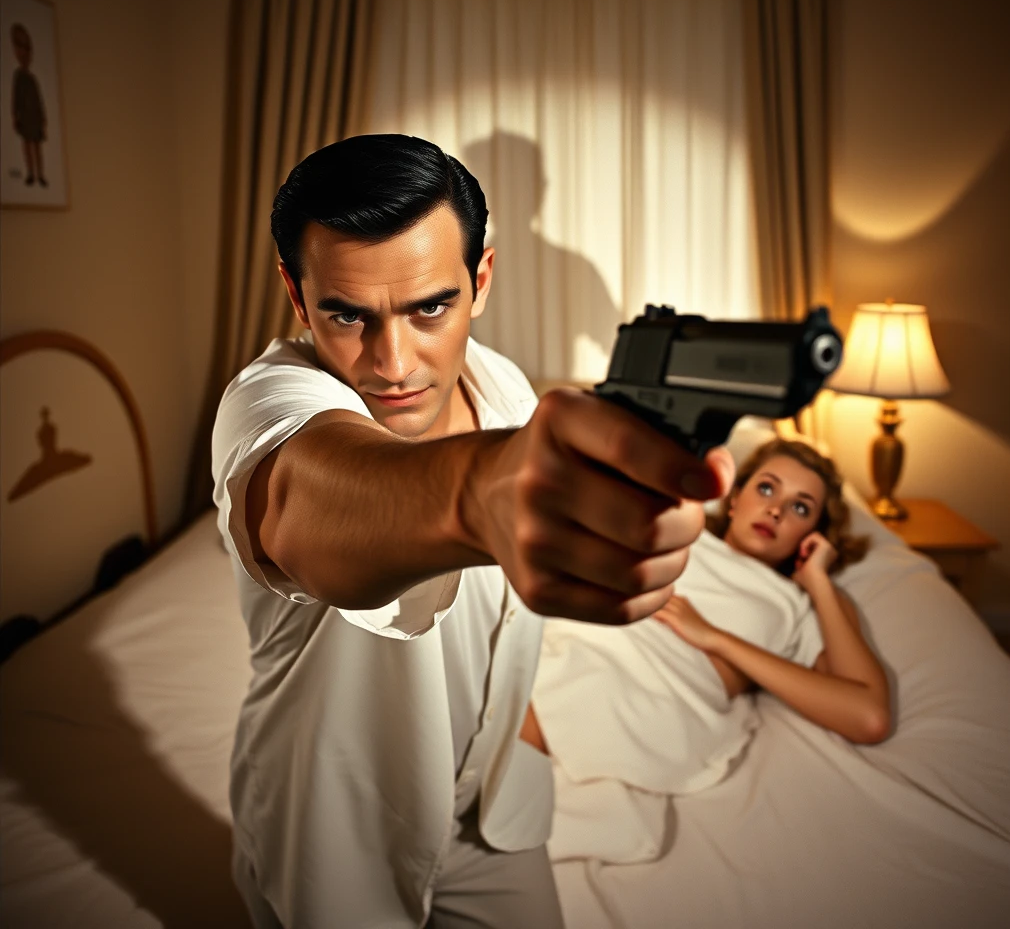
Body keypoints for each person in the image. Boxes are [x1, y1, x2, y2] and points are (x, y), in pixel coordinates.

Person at [211, 133, 734, 929]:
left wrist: (512, 724)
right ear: (296, 291)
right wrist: (472, 495)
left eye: (430, 307)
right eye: (346, 314)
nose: (392, 361)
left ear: (480, 279)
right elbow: (302, 502)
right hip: (334, 837)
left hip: (495, 809)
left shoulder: (509, 389)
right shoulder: (268, 401)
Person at [520, 437, 890, 813]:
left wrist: (720, 636)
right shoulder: (681, 528)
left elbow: (868, 716)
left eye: (800, 507)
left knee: (542, 700)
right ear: (735, 499)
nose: (776, 510)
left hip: (651, 686)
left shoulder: (793, 603)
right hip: (592, 633)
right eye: (766, 488)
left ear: (813, 534)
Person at [9, 23, 48, 188]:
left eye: (27, 49)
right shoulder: (18, 77)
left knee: (37, 147)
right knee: (27, 146)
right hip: (25, 117)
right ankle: (31, 173)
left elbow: (39, 100)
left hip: (35, 118)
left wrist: (43, 118)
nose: (24, 53)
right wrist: (15, 116)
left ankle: (40, 174)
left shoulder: (32, 79)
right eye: (20, 48)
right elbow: (15, 98)